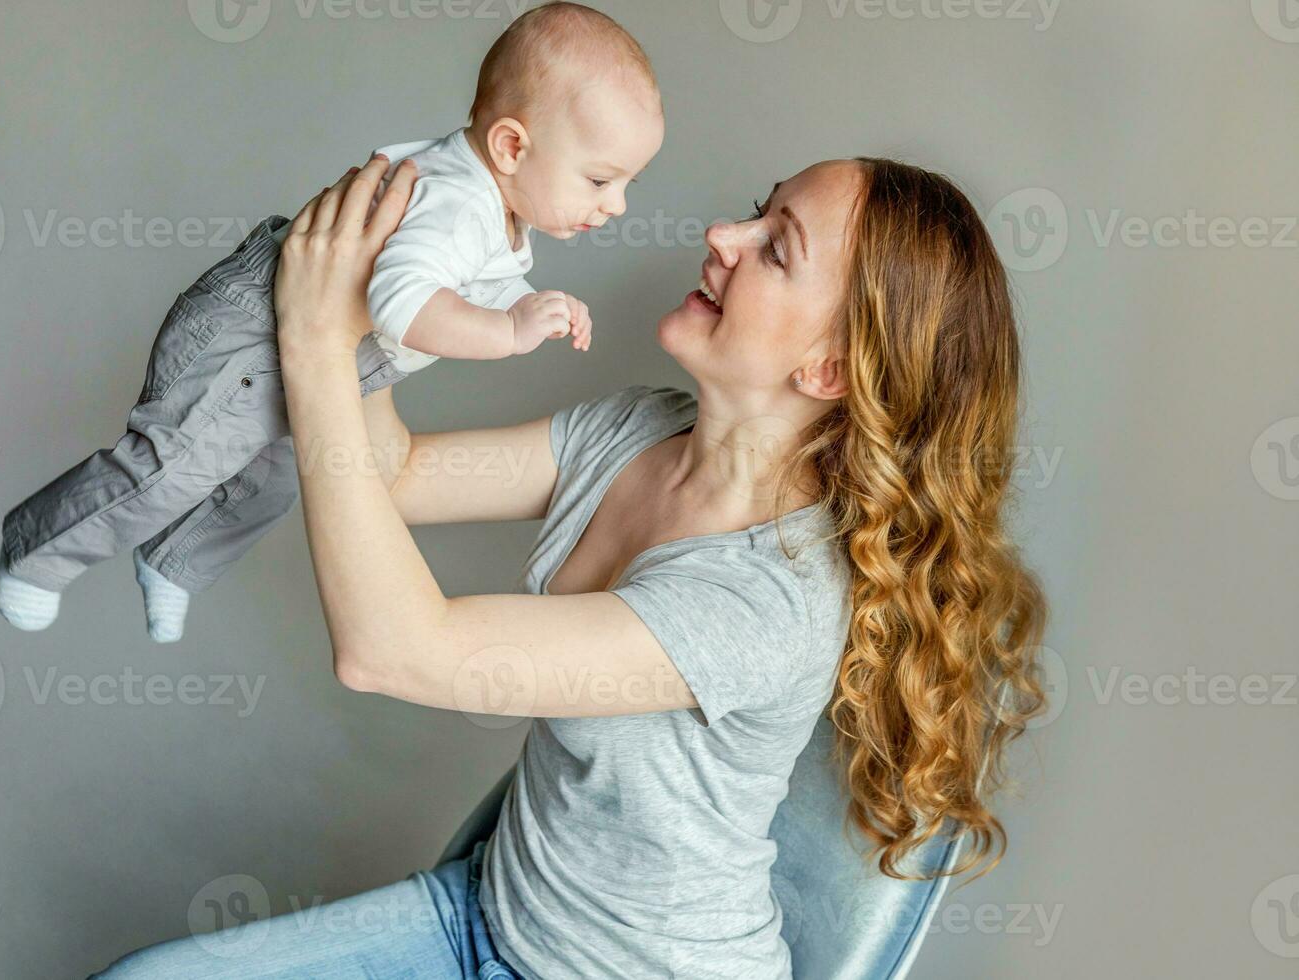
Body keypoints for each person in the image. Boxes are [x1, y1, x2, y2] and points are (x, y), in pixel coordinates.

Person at [90, 150, 1048, 979]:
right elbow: (397, 474)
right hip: (486, 917)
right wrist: (375, 311)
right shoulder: (637, 429)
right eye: (758, 210)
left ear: (829, 372)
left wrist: (312, 340)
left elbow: (393, 650)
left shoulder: (766, 598)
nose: (724, 233)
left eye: (775, 246)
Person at [0, 1, 663, 642]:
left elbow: (469, 282)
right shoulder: (457, 201)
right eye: (601, 180)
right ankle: (38, 551)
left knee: (281, 477)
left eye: (627, 184)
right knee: (179, 463)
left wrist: (526, 304)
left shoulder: (498, 209)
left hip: (327, 350)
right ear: (512, 147)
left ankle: (176, 561)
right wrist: (510, 331)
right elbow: (405, 304)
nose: (618, 205)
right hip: (251, 327)